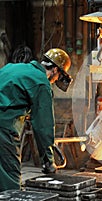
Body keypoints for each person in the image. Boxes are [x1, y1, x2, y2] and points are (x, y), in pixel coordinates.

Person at [0, 48, 72, 191]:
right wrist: (48, 160)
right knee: (10, 177)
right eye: (58, 76)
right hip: (3, 128)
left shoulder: (12, 67)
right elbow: (43, 125)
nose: (56, 80)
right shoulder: (41, 83)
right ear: (56, 70)